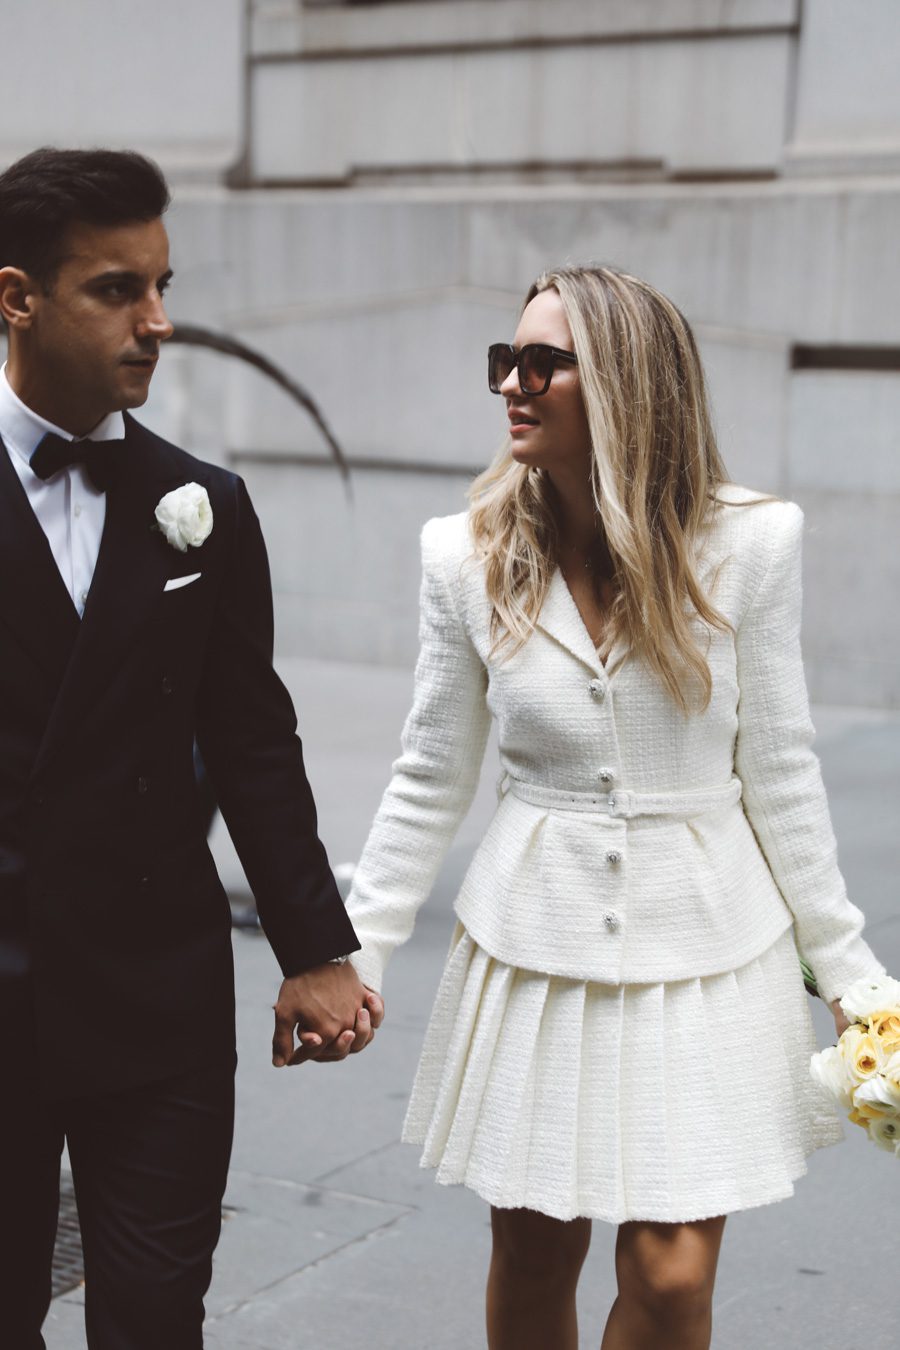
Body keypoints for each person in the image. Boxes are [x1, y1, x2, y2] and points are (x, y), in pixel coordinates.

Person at [344, 265, 885, 1350]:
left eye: (544, 362)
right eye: (507, 359)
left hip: (707, 948)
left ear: (631, 384)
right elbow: (430, 768)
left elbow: (780, 768)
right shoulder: (465, 557)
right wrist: (356, 948)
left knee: (673, 1277)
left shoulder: (751, 546)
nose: (514, 382)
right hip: (536, 952)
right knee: (536, 1251)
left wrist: (855, 975)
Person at [0, 146, 382, 1350]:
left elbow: (253, 737)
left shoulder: (204, 504)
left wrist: (318, 948)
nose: (158, 323)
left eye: (163, 286)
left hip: (157, 1001)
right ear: (16, 298)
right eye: (118, 289)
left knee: (158, 1315)